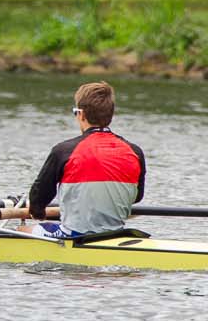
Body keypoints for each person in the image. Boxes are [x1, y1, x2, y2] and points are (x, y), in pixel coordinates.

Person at [23, 81, 146, 236]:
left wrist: (38, 213)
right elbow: (136, 197)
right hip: (116, 234)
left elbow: (38, 201)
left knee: (21, 231)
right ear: (111, 115)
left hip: (75, 236)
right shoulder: (135, 152)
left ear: (80, 114)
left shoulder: (63, 151)